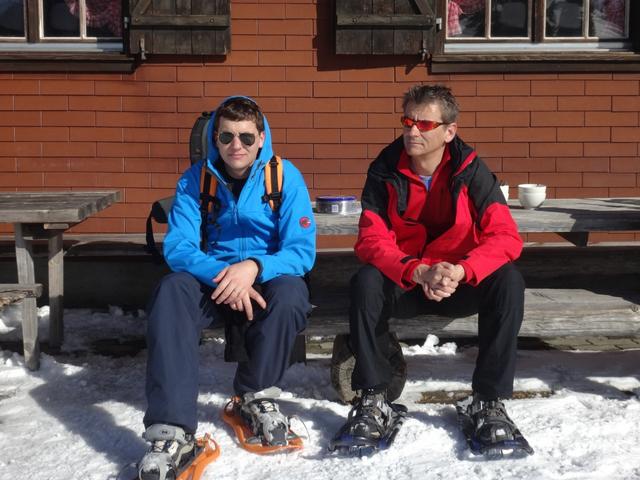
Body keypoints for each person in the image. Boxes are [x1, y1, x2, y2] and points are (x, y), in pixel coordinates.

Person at [333, 84, 526, 454]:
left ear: (449, 131)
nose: (413, 131)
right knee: (366, 281)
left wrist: (461, 270)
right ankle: (373, 397)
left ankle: (488, 400)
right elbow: (370, 241)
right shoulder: (384, 170)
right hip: (406, 282)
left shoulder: (472, 171)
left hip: (458, 284)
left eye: (424, 123)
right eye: (408, 121)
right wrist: (417, 270)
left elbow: (506, 237)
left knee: (508, 282)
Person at [138, 96, 316, 479]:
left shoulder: (284, 177)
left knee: (291, 294)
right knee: (170, 291)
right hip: (212, 280)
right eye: (227, 136)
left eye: (247, 138)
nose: (237, 146)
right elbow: (179, 247)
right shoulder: (194, 180)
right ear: (214, 139)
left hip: (263, 278)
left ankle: (254, 396)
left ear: (262, 137)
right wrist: (225, 274)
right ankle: (171, 431)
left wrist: (253, 267)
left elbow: (301, 252)